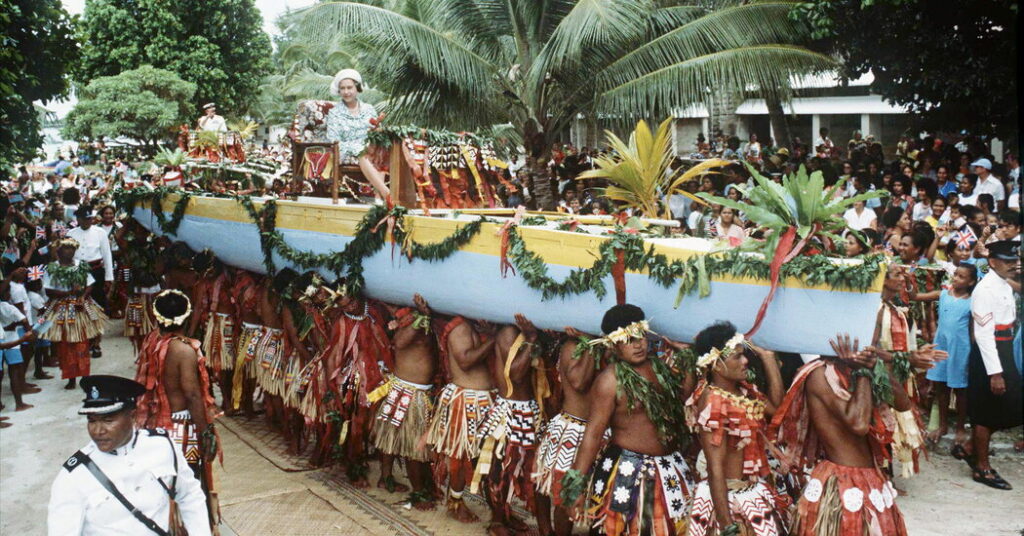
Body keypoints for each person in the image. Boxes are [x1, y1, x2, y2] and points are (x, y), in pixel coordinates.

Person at [562, 304, 692, 536]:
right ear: (613, 344)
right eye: (628, 339)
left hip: (668, 468)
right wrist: (576, 486)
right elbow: (593, 433)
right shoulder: (609, 381)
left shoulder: (658, 367)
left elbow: (681, 399)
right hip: (630, 474)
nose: (638, 344)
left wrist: (688, 359)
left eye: (640, 336)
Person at [770, 334, 912, 536]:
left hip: (872, 478)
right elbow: (859, 423)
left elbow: (903, 403)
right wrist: (862, 371)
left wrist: (874, 366)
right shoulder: (818, 375)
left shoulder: (859, 369)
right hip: (841, 481)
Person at [47, 375, 212, 536]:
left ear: (132, 416)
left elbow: (190, 495)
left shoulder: (162, 445)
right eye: (92, 420)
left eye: (108, 420)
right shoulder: (74, 475)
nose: (98, 431)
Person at [684, 321, 786, 536]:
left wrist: (769, 360)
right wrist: (727, 526)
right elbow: (715, 468)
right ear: (716, 364)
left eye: (743, 354)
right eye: (737, 356)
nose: (746, 360)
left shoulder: (744, 392)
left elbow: (777, 410)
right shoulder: (712, 401)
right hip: (728, 500)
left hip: (751, 491)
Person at [134, 290, 222, 531]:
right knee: (189, 486)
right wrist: (206, 433)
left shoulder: (152, 341)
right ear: (187, 316)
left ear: (156, 317)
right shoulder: (184, 350)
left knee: (162, 487)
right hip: (182, 429)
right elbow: (193, 395)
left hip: (156, 425)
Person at [471, 314, 550, 535]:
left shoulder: (516, 332)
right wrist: (532, 339)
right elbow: (514, 374)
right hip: (510, 412)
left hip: (529, 410)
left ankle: (510, 516)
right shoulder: (508, 332)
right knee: (500, 469)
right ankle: (497, 521)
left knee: (531, 471)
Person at [426, 314, 496, 523]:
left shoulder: (479, 324)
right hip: (465, 402)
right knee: (460, 457)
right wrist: (494, 339)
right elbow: (465, 361)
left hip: (488, 401)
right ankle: (455, 502)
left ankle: (498, 512)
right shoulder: (460, 327)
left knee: (488, 459)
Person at [532, 326, 602, 536]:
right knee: (556, 487)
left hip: (595, 431)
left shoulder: (606, 348)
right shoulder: (573, 346)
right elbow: (579, 383)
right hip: (570, 428)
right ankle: (546, 529)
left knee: (575, 490)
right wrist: (589, 342)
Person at [963, 240, 1022, 489]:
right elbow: (984, 334)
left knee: (1013, 405)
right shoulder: (985, 289)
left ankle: (969, 446)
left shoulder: (1003, 284)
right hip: (991, 353)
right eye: (1009, 261)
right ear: (993, 262)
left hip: (1005, 348)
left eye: (1016, 260)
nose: (1015, 265)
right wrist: (995, 373)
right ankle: (982, 467)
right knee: (987, 411)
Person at [371, 294, 436, 507]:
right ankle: (415, 492)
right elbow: (398, 343)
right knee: (409, 445)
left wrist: (423, 317)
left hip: (415, 391)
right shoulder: (410, 324)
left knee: (396, 437)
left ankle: (389, 477)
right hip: (408, 392)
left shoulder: (415, 321)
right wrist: (421, 318)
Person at [915, 264, 978, 447]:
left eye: (961, 276)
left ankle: (960, 427)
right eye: (955, 275)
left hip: (960, 349)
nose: (956, 278)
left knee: (960, 390)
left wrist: (973, 353)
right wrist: (909, 282)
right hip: (941, 347)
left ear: (971, 282)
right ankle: (942, 425)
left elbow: (972, 331)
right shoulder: (942, 295)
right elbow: (915, 297)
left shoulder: (971, 302)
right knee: (941, 388)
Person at [42, 238, 108, 390]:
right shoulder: (52, 268)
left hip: (80, 307)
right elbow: (48, 290)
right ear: (59, 251)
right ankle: (70, 378)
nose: (70, 251)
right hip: (61, 309)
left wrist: (82, 297)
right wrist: (67, 293)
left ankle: (85, 376)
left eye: (72, 248)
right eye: (66, 248)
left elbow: (90, 284)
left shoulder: (81, 265)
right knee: (65, 344)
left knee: (82, 343)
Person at [325, 69, 389, 198]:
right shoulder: (335, 113)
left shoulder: (369, 109)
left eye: (350, 87)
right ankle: (386, 194)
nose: (346, 92)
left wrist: (374, 135)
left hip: (369, 147)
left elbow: (377, 131)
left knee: (380, 149)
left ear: (357, 88)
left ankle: (378, 197)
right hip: (345, 149)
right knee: (363, 153)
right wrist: (358, 146)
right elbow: (333, 140)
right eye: (342, 88)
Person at [65, 205, 113, 358]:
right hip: (78, 272)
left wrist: (109, 277)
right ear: (78, 219)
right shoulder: (71, 233)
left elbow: (107, 255)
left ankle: (96, 342)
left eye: (89, 218)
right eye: (84, 219)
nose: (87, 221)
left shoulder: (100, 232)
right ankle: (84, 341)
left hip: (97, 271)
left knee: (97, 308)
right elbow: (67, 257)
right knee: (80, 306)